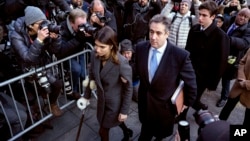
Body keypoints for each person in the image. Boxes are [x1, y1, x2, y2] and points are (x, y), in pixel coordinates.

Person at [134, 14, 197, 141]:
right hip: (145, 105)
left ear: (167, 34)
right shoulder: (140, 48)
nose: (153, 37)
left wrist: (186, 103)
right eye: (151, 32)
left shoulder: (180, 56)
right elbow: (137, 70)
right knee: (144, 134)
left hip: (164, 109)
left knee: (160, 135)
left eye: (158, 33)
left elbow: (191, 84)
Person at [9, 6, 63, 117]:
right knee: (34, 94)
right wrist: (39, 40)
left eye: (45, 22)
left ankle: (52, 104)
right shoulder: (16, 36)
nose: (44, 26)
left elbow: (54, 50)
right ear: (30, 25)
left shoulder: (43, 30)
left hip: (43, 64)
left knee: (57, 85)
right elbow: (27, 58)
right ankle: (36, 113)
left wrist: (56, 39)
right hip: (28, 70)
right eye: (40, 24)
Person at [83, 26, 133, 141]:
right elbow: (91, 76)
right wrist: (86, 96)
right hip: (102, 102)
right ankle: (126, 131)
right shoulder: (94, 54)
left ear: (111, 46)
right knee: (115, 121)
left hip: (114, 104)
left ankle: (125, 131)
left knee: (103, 130)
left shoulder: (121, 63)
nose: (97, 49)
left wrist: (124, 111)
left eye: (102, 47)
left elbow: (128, 88)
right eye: (96, 45)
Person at [185, 1, 230, 111]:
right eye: (199, 14)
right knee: (186, 95)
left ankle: (200, 111)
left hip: (204, 76)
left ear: (213, 16)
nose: (200, 18)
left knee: (193, 97)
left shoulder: (221, 36)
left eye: (204, 15)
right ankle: (185, 115)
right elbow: (187, 51)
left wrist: (213, 84)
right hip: (189, 71)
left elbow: (221, 63)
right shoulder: (195, 29)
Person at [216, 8, 250, 107]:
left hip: (232, 58)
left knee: (226, 78)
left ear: (248, 19)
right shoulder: (228, 20)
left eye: (245, 17)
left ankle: (224, 98)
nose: (242, 18)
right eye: (240, 15)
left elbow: (244, 43)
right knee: (214, 72)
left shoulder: (248, 30)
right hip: (219, 53)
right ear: (237, 14)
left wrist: (227, 39)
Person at [57, 8, 89, 100]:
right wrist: (78, 38)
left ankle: (79, 90)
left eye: (84, 24)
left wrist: (89, 35)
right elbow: (62, 50)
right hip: (67, 55)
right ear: (71, 23)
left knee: (83, 74)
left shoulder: (82, 26)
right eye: (80, 25)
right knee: (76, 70)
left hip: (80, 51)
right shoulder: (62, 29)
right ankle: (73, 91)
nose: (83, 27)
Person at [219, 48, 250, 126]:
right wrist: (241, 78)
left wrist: (245, 83)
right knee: (227, 108)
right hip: (239, 84)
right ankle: (219, 128)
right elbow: (242, 62)